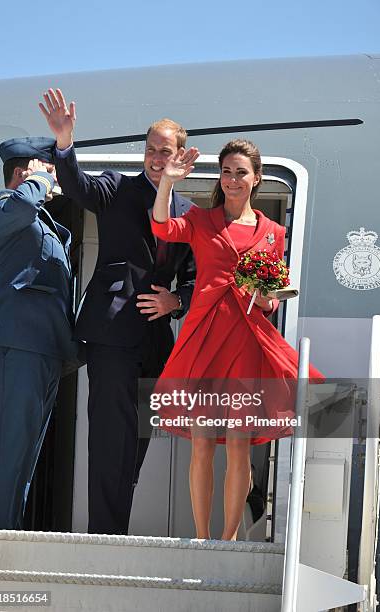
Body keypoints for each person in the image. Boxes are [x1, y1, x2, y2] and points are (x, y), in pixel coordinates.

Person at [39, 88, 196, 535]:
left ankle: (114, 530)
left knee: (138, 443)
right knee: (111, 437)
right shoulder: (117, 186)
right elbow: (77, 187)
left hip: (156, 341)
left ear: (179, 156)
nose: (154, 157)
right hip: (111, 332)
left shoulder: (188, 212)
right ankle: (105, 538)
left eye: (164, 151)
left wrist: (175, 301)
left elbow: (196, 274)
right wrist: (66, 145)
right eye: (150, 149)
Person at [151, 139, 324, 540]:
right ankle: (201, 537)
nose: (232, 179)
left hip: (246, 342)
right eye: (226, 171)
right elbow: (161, 224)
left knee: (239, 446)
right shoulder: (200, 220)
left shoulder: (273, 233)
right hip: (204, 340)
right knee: (202, 444)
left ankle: (228, 540)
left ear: (256, 178)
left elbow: (270, 303)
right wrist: (167, 183)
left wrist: (265, 297)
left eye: (240, 172)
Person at [0, 137, 78, 529]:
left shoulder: (46, 224)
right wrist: (36, 182)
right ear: (25, 173)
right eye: (49, 172)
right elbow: (21, 204)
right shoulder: (7, 206)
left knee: (24, 456)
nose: (54, 182)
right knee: (8, 450)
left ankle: (7, 532)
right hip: (18, 347)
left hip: (45, 350)